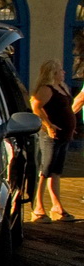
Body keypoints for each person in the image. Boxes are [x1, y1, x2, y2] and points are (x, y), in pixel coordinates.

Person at [29, 60, 84, 221]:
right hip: (50, 136)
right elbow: (36, 106)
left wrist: (70, 125)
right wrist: (48, 125)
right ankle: (38, 207)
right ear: (52, 73)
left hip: (64, 134)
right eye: (60, 70)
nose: (64, 72)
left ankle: (57, 206)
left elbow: (69, 107)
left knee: (56, 171)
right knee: (45, 169)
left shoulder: (63, 87)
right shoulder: (46, 89)